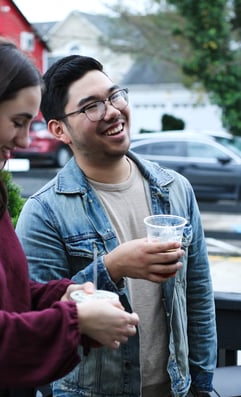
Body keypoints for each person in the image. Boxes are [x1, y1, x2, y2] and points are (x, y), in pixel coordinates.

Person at [16, 55, 217, 397]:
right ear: (58, 129)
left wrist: (202, 384)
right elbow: (38, 323)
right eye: (92, 106)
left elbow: (198, 295)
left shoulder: (175, 189)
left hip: (175, 388)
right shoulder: (44, 212)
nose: (112, 111)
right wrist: (111, 268)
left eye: (114, 96)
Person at [0, 38, 140, 397]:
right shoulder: (43, 207)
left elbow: (7, 294)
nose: (22, 141)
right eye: (17, 122)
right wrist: (74, 319)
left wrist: (63, 295)